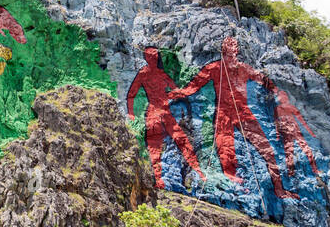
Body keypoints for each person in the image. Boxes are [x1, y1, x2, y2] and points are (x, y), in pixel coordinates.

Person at [170, 36, 298, 200]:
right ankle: (230, 180)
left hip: (243, 113)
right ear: (223, 50)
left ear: (237, 50)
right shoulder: (215, 68)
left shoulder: (244, 69)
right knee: (225, 148)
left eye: (234, 46)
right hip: (224, 113)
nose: (231, 49)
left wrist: (278, 92)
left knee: (267, 150)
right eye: (228, 47)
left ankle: (279, 190)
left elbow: (264, 81)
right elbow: (192, 87)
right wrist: (176, 94)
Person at [126, 47, 204, 190]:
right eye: (150, 56)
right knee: (154, 145)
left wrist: (177, 94)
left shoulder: (162, 74)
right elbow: (132, 93)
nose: (153, 58)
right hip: (153, 111)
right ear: (146, 58)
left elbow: (174, 89)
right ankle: (157, 179)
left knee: (181, 139)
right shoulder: (143, 73)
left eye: (155, 56)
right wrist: (131, 112)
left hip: (165, 111)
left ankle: (198, 170)